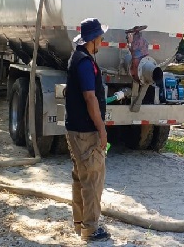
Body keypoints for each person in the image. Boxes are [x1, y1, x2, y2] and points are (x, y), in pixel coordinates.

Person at [65, 18, 111, 242]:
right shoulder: (84, 63)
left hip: (75, 129)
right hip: (85, 132)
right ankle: (91, 229)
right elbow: (90, 97)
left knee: (80, 177)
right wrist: (101, 129)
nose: (102, 40)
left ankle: (79, 223)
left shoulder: (78, 58)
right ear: (92, 40)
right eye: (100, 36)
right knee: (92, 178)